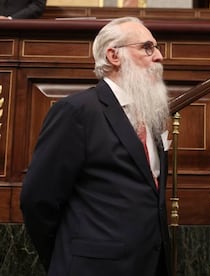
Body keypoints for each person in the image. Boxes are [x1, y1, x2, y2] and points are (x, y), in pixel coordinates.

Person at [20, 16, 171, 276]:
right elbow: (37, 200)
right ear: (114, 55)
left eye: (156, 48)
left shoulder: (150, 116)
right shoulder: (77, 111)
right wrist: (67, 257)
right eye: (147, 47)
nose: (158, 56)